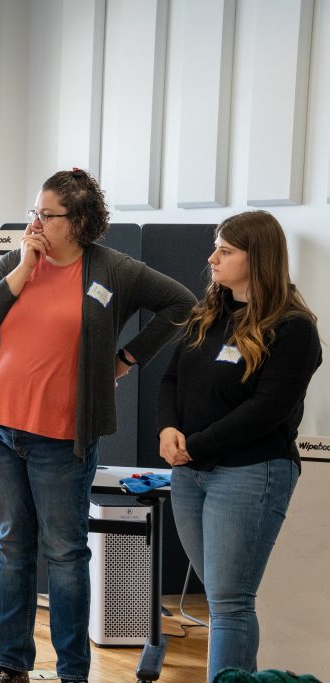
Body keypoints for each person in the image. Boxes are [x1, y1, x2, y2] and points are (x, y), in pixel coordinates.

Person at [0, 169, 195, 683]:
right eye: (35, 213)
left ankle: (72, 673)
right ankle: (11, 665)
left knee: (66, 554)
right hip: (3, 432)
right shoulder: (14, 260)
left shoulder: (112, 270)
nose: (36, 223)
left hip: (62, 439)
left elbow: (182, 304)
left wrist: (127, 358)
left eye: (48, 215)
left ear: (80, 221)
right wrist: (23, 269)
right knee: (11, 547)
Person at [157, 211, 322, 682]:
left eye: (225, 251)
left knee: (229, 602)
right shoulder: (208, 314)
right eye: (216, 247)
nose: (211, 258)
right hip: (190, 472)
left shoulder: (293, 329)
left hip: (251, 472)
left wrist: (196, 446)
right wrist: (168, 430)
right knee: (221, 596)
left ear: (259, 257)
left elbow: (267, 410)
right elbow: (170, 380)